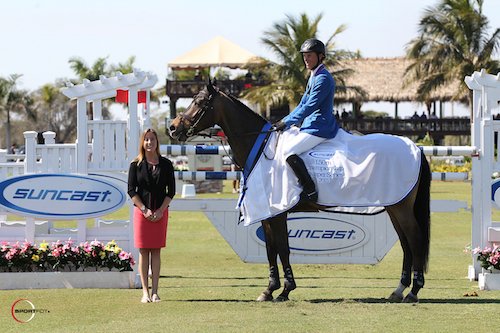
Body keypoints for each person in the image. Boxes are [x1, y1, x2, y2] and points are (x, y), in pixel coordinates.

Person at [273, 38, 339, 202]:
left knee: (289, 152)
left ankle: (310, 191)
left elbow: (309, 107)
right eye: (304, 56)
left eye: (309, 56)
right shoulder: (314, 76)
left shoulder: (323, 78)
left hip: (320, 127)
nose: (306, 59)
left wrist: (285, 122)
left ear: (320, 56)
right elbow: (302, 103)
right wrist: (286, 120)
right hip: (310, 125)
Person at [128, 128, 176, 303]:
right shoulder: (136, 165)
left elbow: (171, 191)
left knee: (156, 251)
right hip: (142, 214)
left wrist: (161, 210)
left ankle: (155, 292)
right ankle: (145, 293)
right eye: (146, 139)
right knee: (143, 251)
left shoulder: (166, 164)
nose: (149, 142)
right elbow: (131, 190)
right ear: (143, 142)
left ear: (157, 142)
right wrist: (144, 209)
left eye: (152, 139)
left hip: (160, 212)